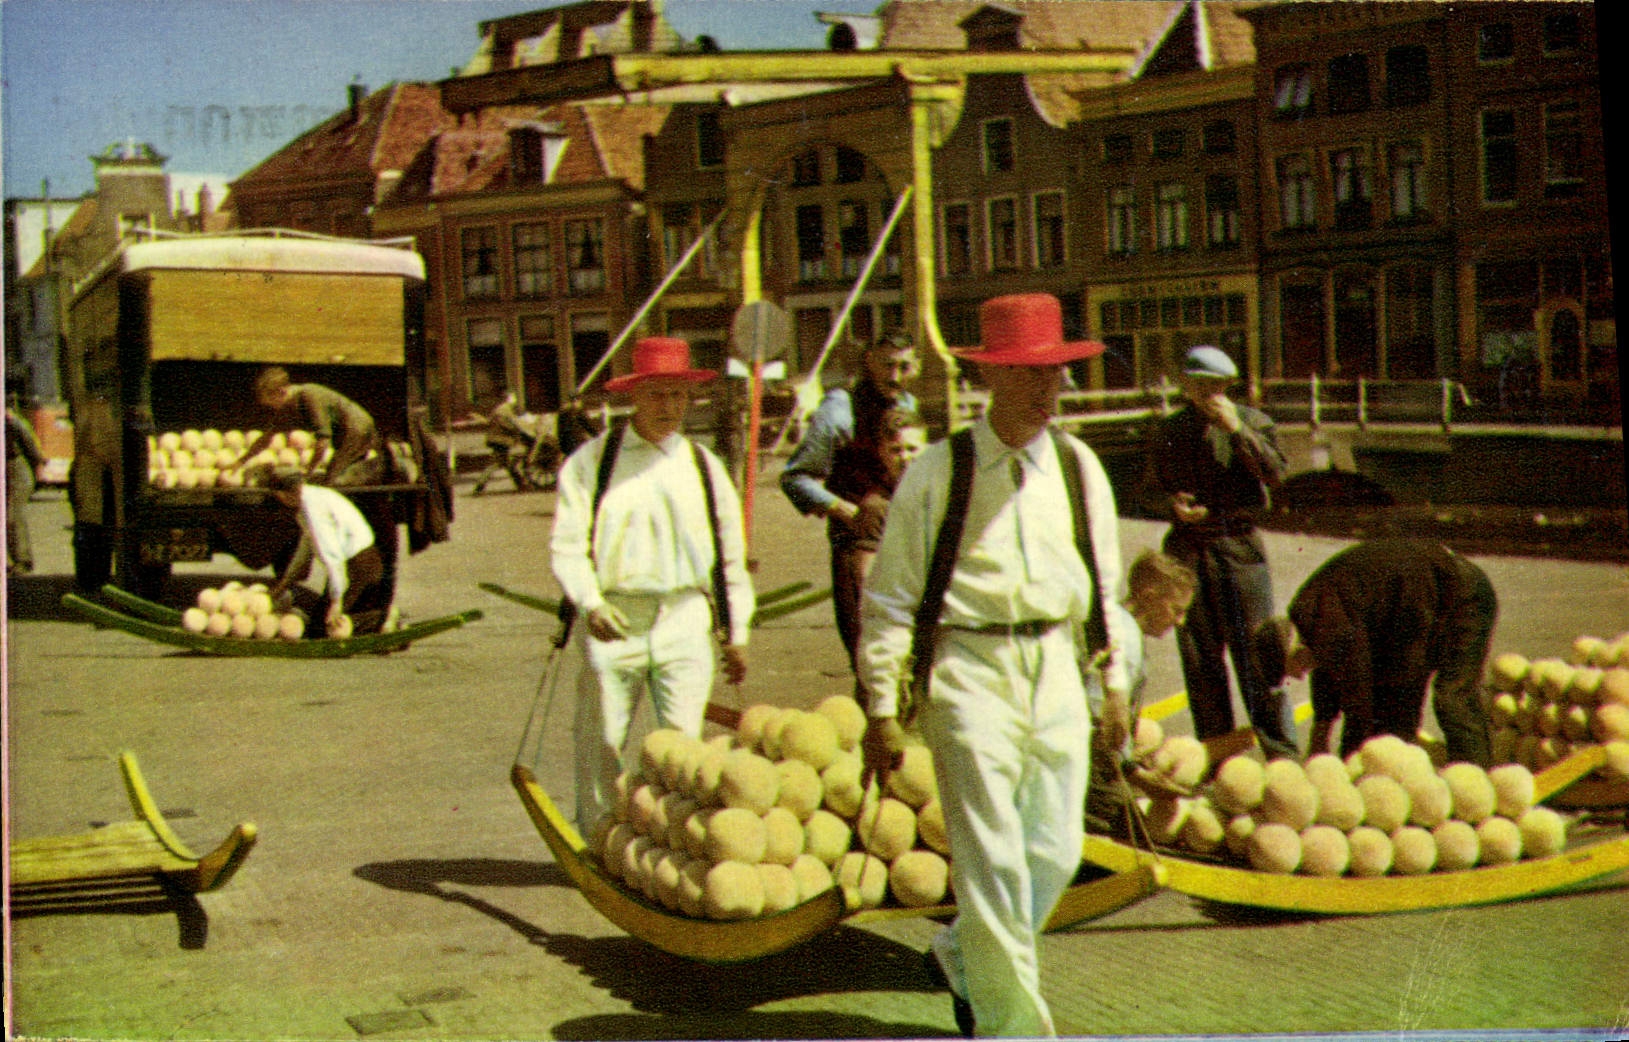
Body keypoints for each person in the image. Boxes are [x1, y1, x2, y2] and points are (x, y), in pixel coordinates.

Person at [858, 294, 1137, 1038]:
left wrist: (1112, 684)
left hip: (1054, 668)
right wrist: (881, 707)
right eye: (1026, 376)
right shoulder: (938, 471)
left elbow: (1103, 587)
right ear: (990, 380)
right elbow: (887, 596)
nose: (1046, 392)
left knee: (1056, 849)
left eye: (1054, 375)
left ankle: (958, 957)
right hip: (967, 669)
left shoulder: (1078, 468)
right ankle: (1013, 1028)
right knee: (992, 863)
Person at [552, 336, 755, 831]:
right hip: (614, 618)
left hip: (684, 617)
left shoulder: (704, 468)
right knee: (603, 739)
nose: (669, 407)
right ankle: (597, 839)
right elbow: (567, 544)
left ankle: (670, 842)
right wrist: (590, 602)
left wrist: (737, 633)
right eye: (658, 395)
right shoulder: (591, 464)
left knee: (683, 744)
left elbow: (730, 558)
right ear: (634, 396)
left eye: (679, 396)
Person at [1141, 344, 1295, 759]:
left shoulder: (1253, 422)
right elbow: (1147, 490)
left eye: (1217, 387)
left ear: (1229, 387)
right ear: (1186, 386)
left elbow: (1277, 475)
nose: (1208, 394)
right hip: (1188, 551)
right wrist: (1169, 506)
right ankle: (1219, 761)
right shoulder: (1170, 431)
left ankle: (1283, 758)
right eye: (1199, 386)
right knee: (1200, 662)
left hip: (1237, 546)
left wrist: (1237, 431)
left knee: (1260, 657)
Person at [1252, 538, 1497, 765]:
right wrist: (1320, 739)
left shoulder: (1324, 618)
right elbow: (1330, 671)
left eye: (1290, 672)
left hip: (1462, 596)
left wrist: (1352, 762)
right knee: (1390, 721)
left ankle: (1477, 781)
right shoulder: (1312, 616)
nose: (1297, 677)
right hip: (1418, 604)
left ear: (1291, 652)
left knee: (1452, 699)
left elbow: (1358, 699)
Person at [781, 331, 920, 677]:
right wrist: (849, 511)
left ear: (916, 367)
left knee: (909, 655)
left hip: (902, 542)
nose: (894, 375)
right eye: (887, 365)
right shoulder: (840, 407)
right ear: (870, 361)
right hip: (857, 544)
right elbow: (795, 478)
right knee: (870, 658)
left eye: (904, 366)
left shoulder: (908, 407)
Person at [1085, 550, 1198, 834]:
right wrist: (1138, 777)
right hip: (1091, 776)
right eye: (1176, 609)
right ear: (1148, 596)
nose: (1180, 621)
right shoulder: (1128, 643)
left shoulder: (1116, 624)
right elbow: (1098, 727)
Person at [821, 405, 928, 682]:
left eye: (913, 449)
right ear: (882, 453)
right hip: (889, 622)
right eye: (896, 450)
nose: (905, 458)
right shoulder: (876, 507)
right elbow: (866, 580)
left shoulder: (933, 497)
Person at [261, 466, 394, 636]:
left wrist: (337, 601)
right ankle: (372, 618)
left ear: (284, 494)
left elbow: (332, 558)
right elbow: (305, 550)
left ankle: (381, 619)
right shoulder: (310, 498)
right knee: (320, 617)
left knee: (324, 628)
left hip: (361, 564)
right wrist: (283, 585)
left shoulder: (313, 510)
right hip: (358, 561)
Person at [241, 367, 382, 486]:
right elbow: (266, 438)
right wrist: (240, 462)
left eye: (271, 402)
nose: (271, 407)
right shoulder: (287, 405)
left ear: (281, 392)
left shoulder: (309, 396)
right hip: (344, 434)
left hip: (357, 429)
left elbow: (323, 441)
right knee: (344, 473)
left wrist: (309, 471)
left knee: (333, 478)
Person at [472, 390, 544, 494]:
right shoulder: (505, 410)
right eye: (513, 398)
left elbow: (493, 421)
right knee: (496, 464)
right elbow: (510, 424)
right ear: (508, 399)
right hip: (500, 440)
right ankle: (480, 485)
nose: (514, 401)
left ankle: (520, 484)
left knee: (507, 464)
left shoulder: (501, 409)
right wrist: (522, 430)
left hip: (498, 439)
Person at [6, 397, 46, 575]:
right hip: (8, 470)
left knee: (14, 516)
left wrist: (39, 467)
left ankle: (23, 560)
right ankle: (15, 559)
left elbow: (31, 446)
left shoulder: (12, 421)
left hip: (16, 469)